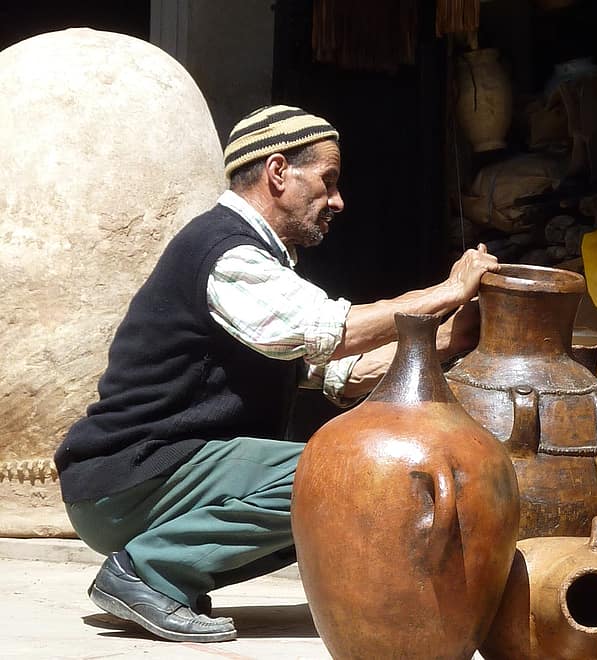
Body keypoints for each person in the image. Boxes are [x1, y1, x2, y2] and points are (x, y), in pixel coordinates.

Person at [54, 105, 499, 643]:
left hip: (147, 482)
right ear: (279, 172)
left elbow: (342, 372)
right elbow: (329, 330)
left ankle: (159, 568)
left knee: (339, 502)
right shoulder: (227, 253)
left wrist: (454, 338)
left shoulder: (261, 261)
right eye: (328, 181)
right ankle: (150, 571)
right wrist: (445, 294)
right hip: (128, 480)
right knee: (346, 475)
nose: (337, 200)